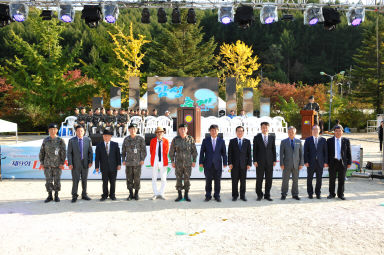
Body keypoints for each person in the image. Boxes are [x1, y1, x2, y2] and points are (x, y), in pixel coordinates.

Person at [169, 123, 198, 202]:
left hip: (188, 164)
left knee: (187, 179)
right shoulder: (175, 139)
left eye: (184, 129)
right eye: (181, 129)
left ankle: (186, 195)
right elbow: (171, 152)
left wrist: (194, 160)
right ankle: (179, 195)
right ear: (178, 130)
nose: (183, 130)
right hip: (178, 163)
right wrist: (172, 161)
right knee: (178, 179)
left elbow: (194, 151)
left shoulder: (190, 139)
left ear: (187, 130)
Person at [199, 124, 228, 202]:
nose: (214, 132)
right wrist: (201, 162)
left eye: (215, 130)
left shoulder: (221, 141)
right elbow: (202, 152)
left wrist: (225, 162)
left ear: (218, 131)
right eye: (212, 130)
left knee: (217, 181)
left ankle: (217, 195)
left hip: (218, 165)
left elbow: (224, 153)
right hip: (207, 164)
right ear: (209, 131)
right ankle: (208, 195)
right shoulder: (205, 140)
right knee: (208, 181)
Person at [39, 123, 66, 203]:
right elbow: (42, 152)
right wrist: (41, 162)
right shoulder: (45, 140)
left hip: (57, 164)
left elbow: (63, 153)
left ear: (57, 130)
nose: (52, 131)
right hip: (47, 164)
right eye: (51, 129)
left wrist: (62, 163)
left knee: (57, 180)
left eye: (54, 129)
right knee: (48, 180)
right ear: (49, 130)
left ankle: (56, 195)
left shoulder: (60, 140)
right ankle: (50, 195)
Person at [67, 125, 93, 202]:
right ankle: (74, 195)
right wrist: (70, 163)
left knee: (84, 180)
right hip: (75, 164)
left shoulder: (88, 140)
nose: (80, 132)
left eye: (81, 131)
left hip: (85, 164)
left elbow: (90, 152)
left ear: (84, 131)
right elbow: (69, 153)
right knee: (75, 180)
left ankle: (84, 194)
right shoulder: (72, 140)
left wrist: (90, 161)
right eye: (78, 131)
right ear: (75, 132)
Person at [122, 123, 147, 201]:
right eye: (131, 129)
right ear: (129, 130)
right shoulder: (126, 139)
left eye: (134, 129)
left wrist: (142, 159)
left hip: (137, 163)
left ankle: (136, 194)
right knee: (129, 178)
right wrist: (123, 160)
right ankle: (130, 194)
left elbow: (144, 151)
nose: (133, 130)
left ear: (136, 130)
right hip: (128, 163)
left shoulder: (140, 139)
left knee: (137, 178)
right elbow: (123, 151)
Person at [95, 129, 121, 201]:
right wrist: (97, 166)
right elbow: (97, 157)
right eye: (104, 136)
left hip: (113, 167)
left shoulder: (115, 145)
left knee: (113, 182)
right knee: (105, 182)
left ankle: (112, 195)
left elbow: (118, 155)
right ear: (103, 136)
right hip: (104, 167)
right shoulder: (99, 145)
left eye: (107, 136)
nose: (106, 137)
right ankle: (105, 195)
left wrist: (119, 164)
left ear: (110, 137)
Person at [253, 122, 276, 201]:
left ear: (268, 128)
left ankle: (267, 195)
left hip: (269, 162)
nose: (265, 129)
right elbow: (255, 150)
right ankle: (259, 195)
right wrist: (255, 160)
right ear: (261, 128)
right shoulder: (257, 137)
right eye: (263, 127)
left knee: (269, 179)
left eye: (266, 127)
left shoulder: (272, 137)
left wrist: (274, 160)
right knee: (259, 179)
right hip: (259, 162)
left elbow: (273, 149)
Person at [327, 126, 351, 200]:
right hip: (332, 162)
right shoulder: (329, 140)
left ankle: (341, 194)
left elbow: (348, 152)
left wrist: (349, 162)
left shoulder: (346, 140)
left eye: (339, 131)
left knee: (342, 179)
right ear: (334, 132)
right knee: (332, 179)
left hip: (342, 162)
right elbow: (327, 153)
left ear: (342, 132)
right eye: (336, 131)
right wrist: (327, 162)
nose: (338, 132)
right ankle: (331, 194)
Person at [304, 125, 328, 199]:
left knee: (319, 179)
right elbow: (305, 152)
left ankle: (318, 193)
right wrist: (306, 161)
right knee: (309, 179)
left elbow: (325, 152)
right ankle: (310, 193)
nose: (315, 131)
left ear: (319, 130)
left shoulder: (323, 140)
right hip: (310, 163)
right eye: (314, 129)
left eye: (317, 129)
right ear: (312, 131)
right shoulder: (308, 140)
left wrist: (325, 162)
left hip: (320, 163)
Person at [228, 126, 252, 201]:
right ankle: (235, 196)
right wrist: (230, 163)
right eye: (238, 131)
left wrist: (249, 164)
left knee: (243, 181)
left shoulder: (247, 141)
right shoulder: (232, 141)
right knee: (234, 181)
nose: (240, 132)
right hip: (234, 165)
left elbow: (249, 154)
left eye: (241, 131)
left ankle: (242, 196)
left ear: (243, 132)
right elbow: (229, 153)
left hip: (243, 165)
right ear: (236, 132)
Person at [279, 126, 304, 200]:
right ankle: (284, 194)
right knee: (285, 180)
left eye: (292, 132)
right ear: (288, 133)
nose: (291, 133)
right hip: (286, 165)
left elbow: (301, 154)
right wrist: (281, 164)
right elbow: (281, 154)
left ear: (295, 133)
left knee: (295, 180)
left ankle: (295, 194)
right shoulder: (283, 142)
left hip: (296, 165)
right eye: (289, 132)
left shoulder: (298, 141)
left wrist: (301, 163)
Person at [149, 127, 169, 200]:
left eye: (161, 132)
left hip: (163, 161)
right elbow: (151, 151)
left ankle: (161, 193)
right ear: (156, 133)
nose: (159, 133)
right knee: (154, 178)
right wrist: (155, 158)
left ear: (163, 133)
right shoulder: (152, 140)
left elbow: (166, 151)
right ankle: (155, 193)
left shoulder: (166, 141)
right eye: (158, 132)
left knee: (163, 178)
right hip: (155, 161)